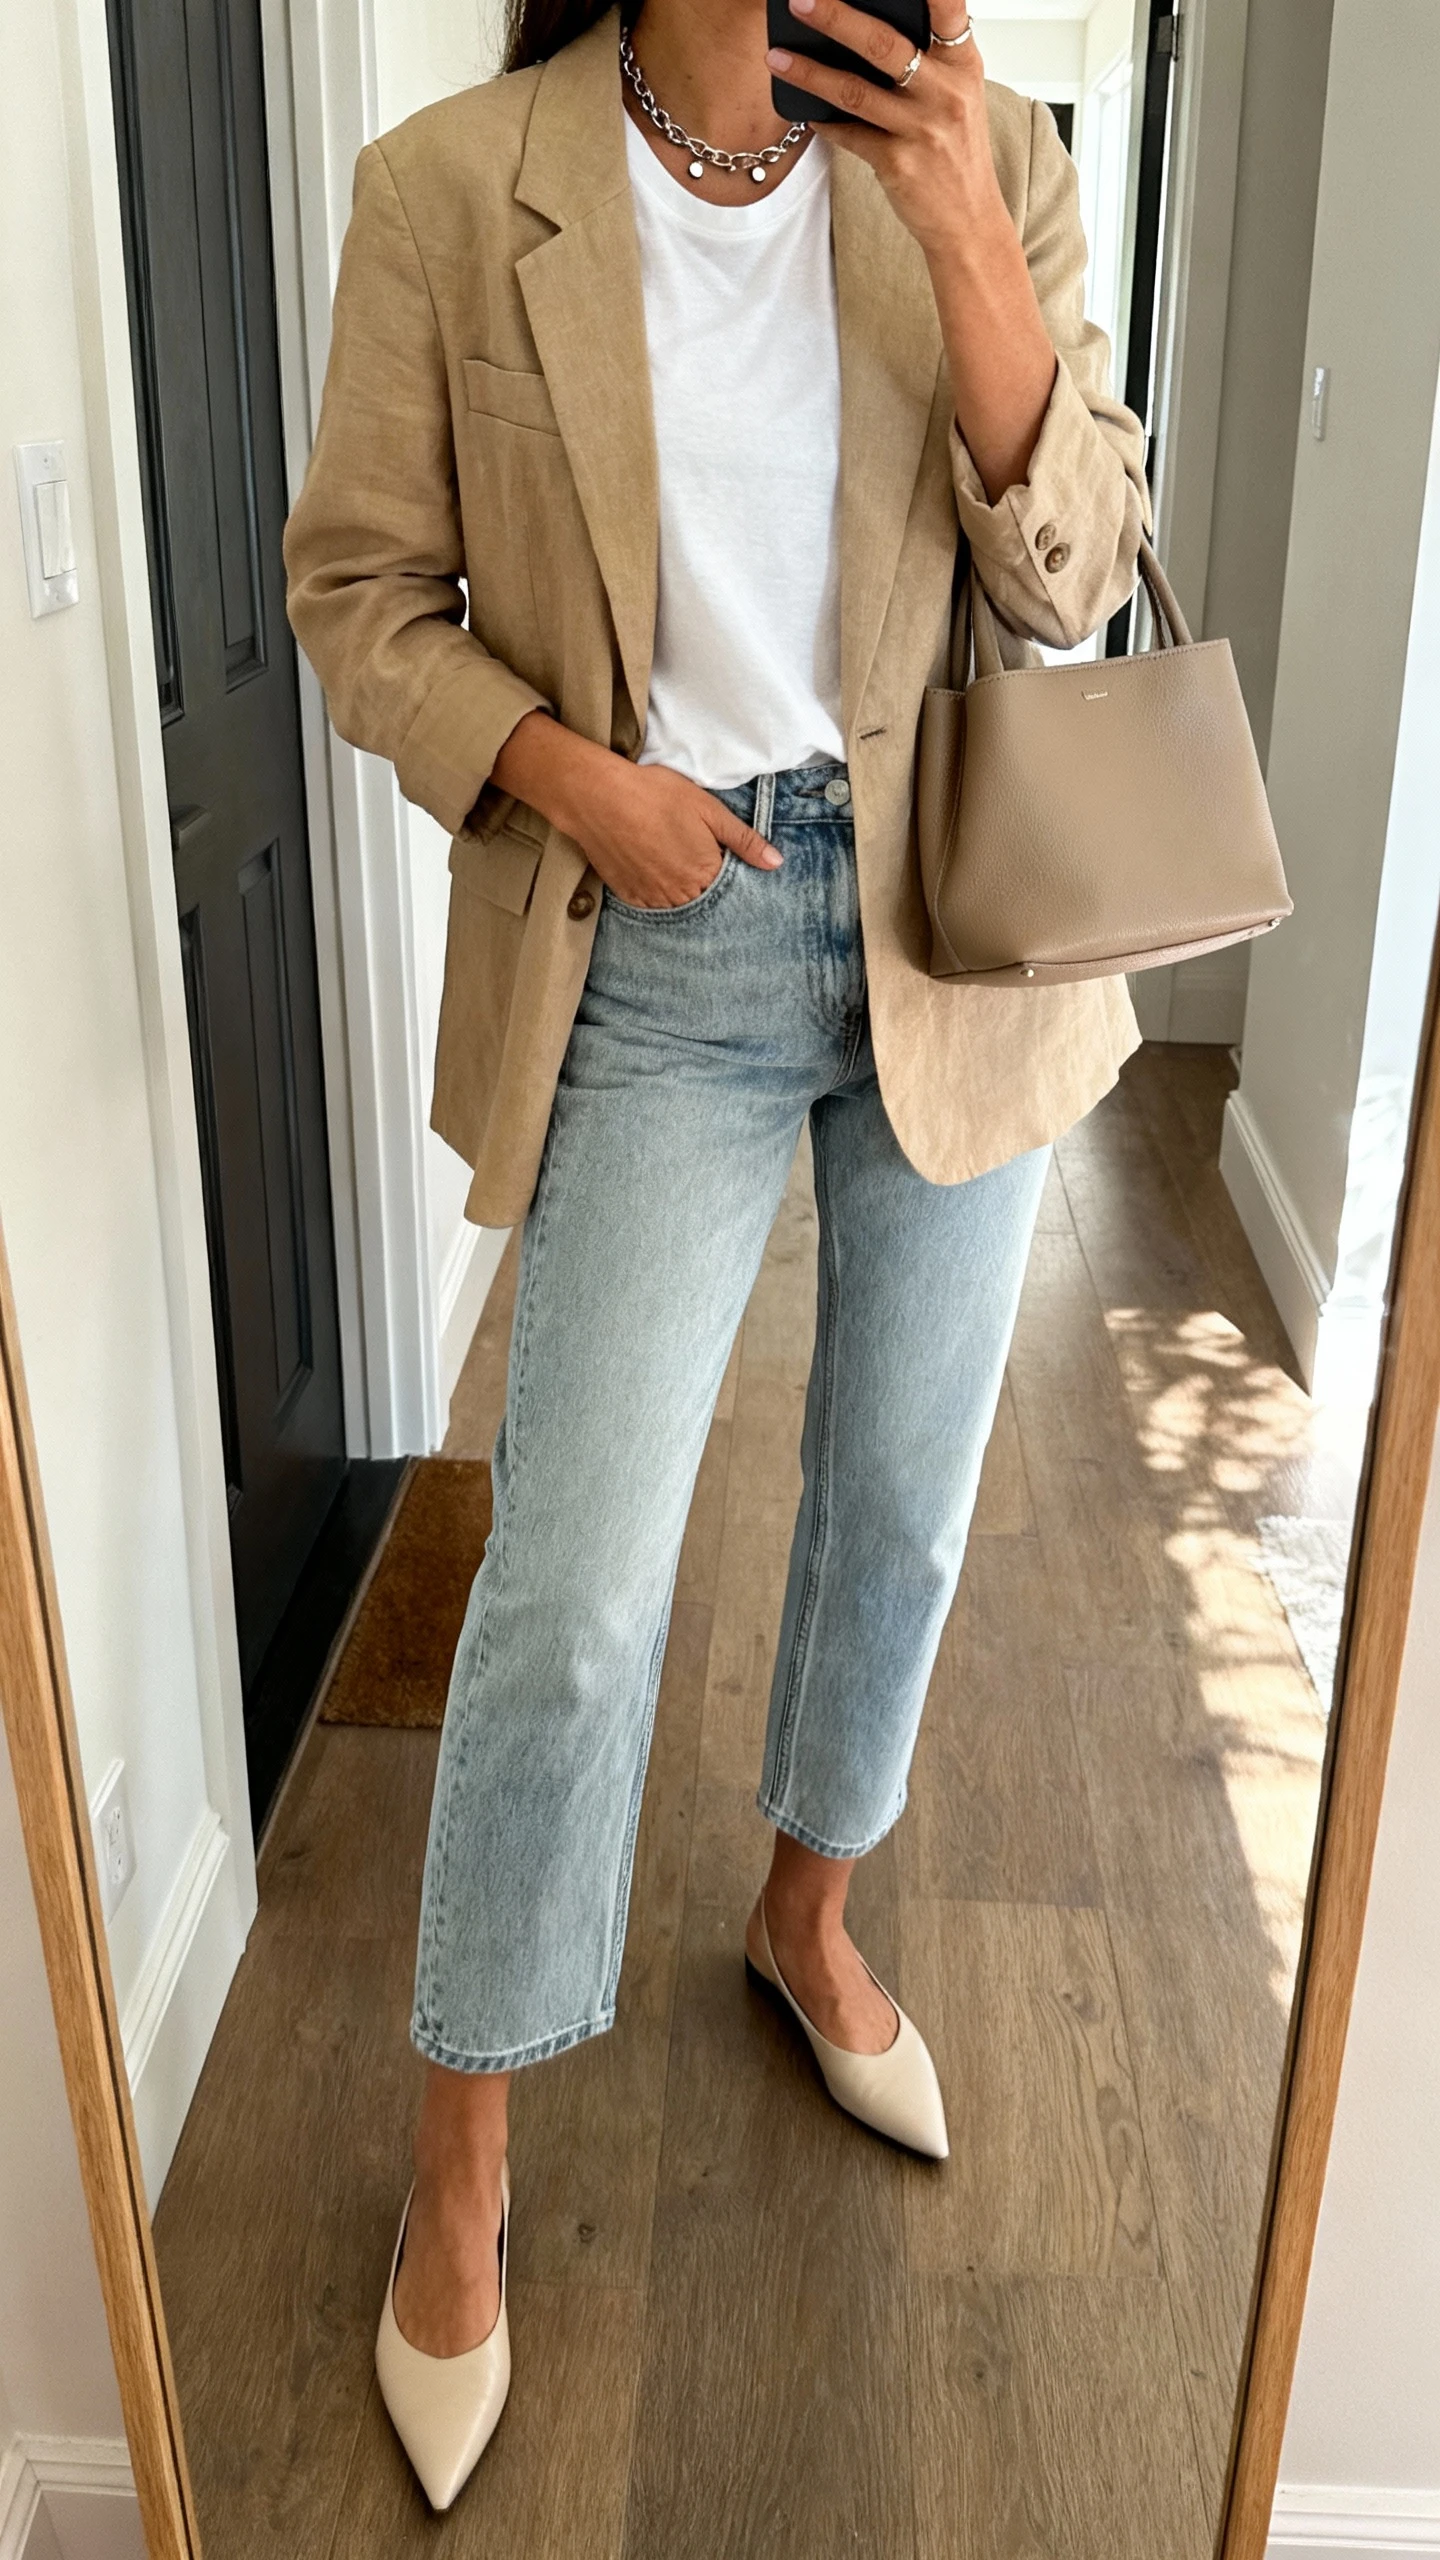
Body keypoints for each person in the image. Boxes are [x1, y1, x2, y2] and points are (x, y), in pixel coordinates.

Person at [284, 0, 1149, 2507]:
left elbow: (1073, 566)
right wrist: (577, 780)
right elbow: (358, 598)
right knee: (565, 1590)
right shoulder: (457, 181)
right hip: (647, 933)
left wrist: (966, 221)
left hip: (960, 921)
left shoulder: (1005, 159)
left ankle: (807, 1908)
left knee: (900, 1501)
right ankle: (461, 2147)